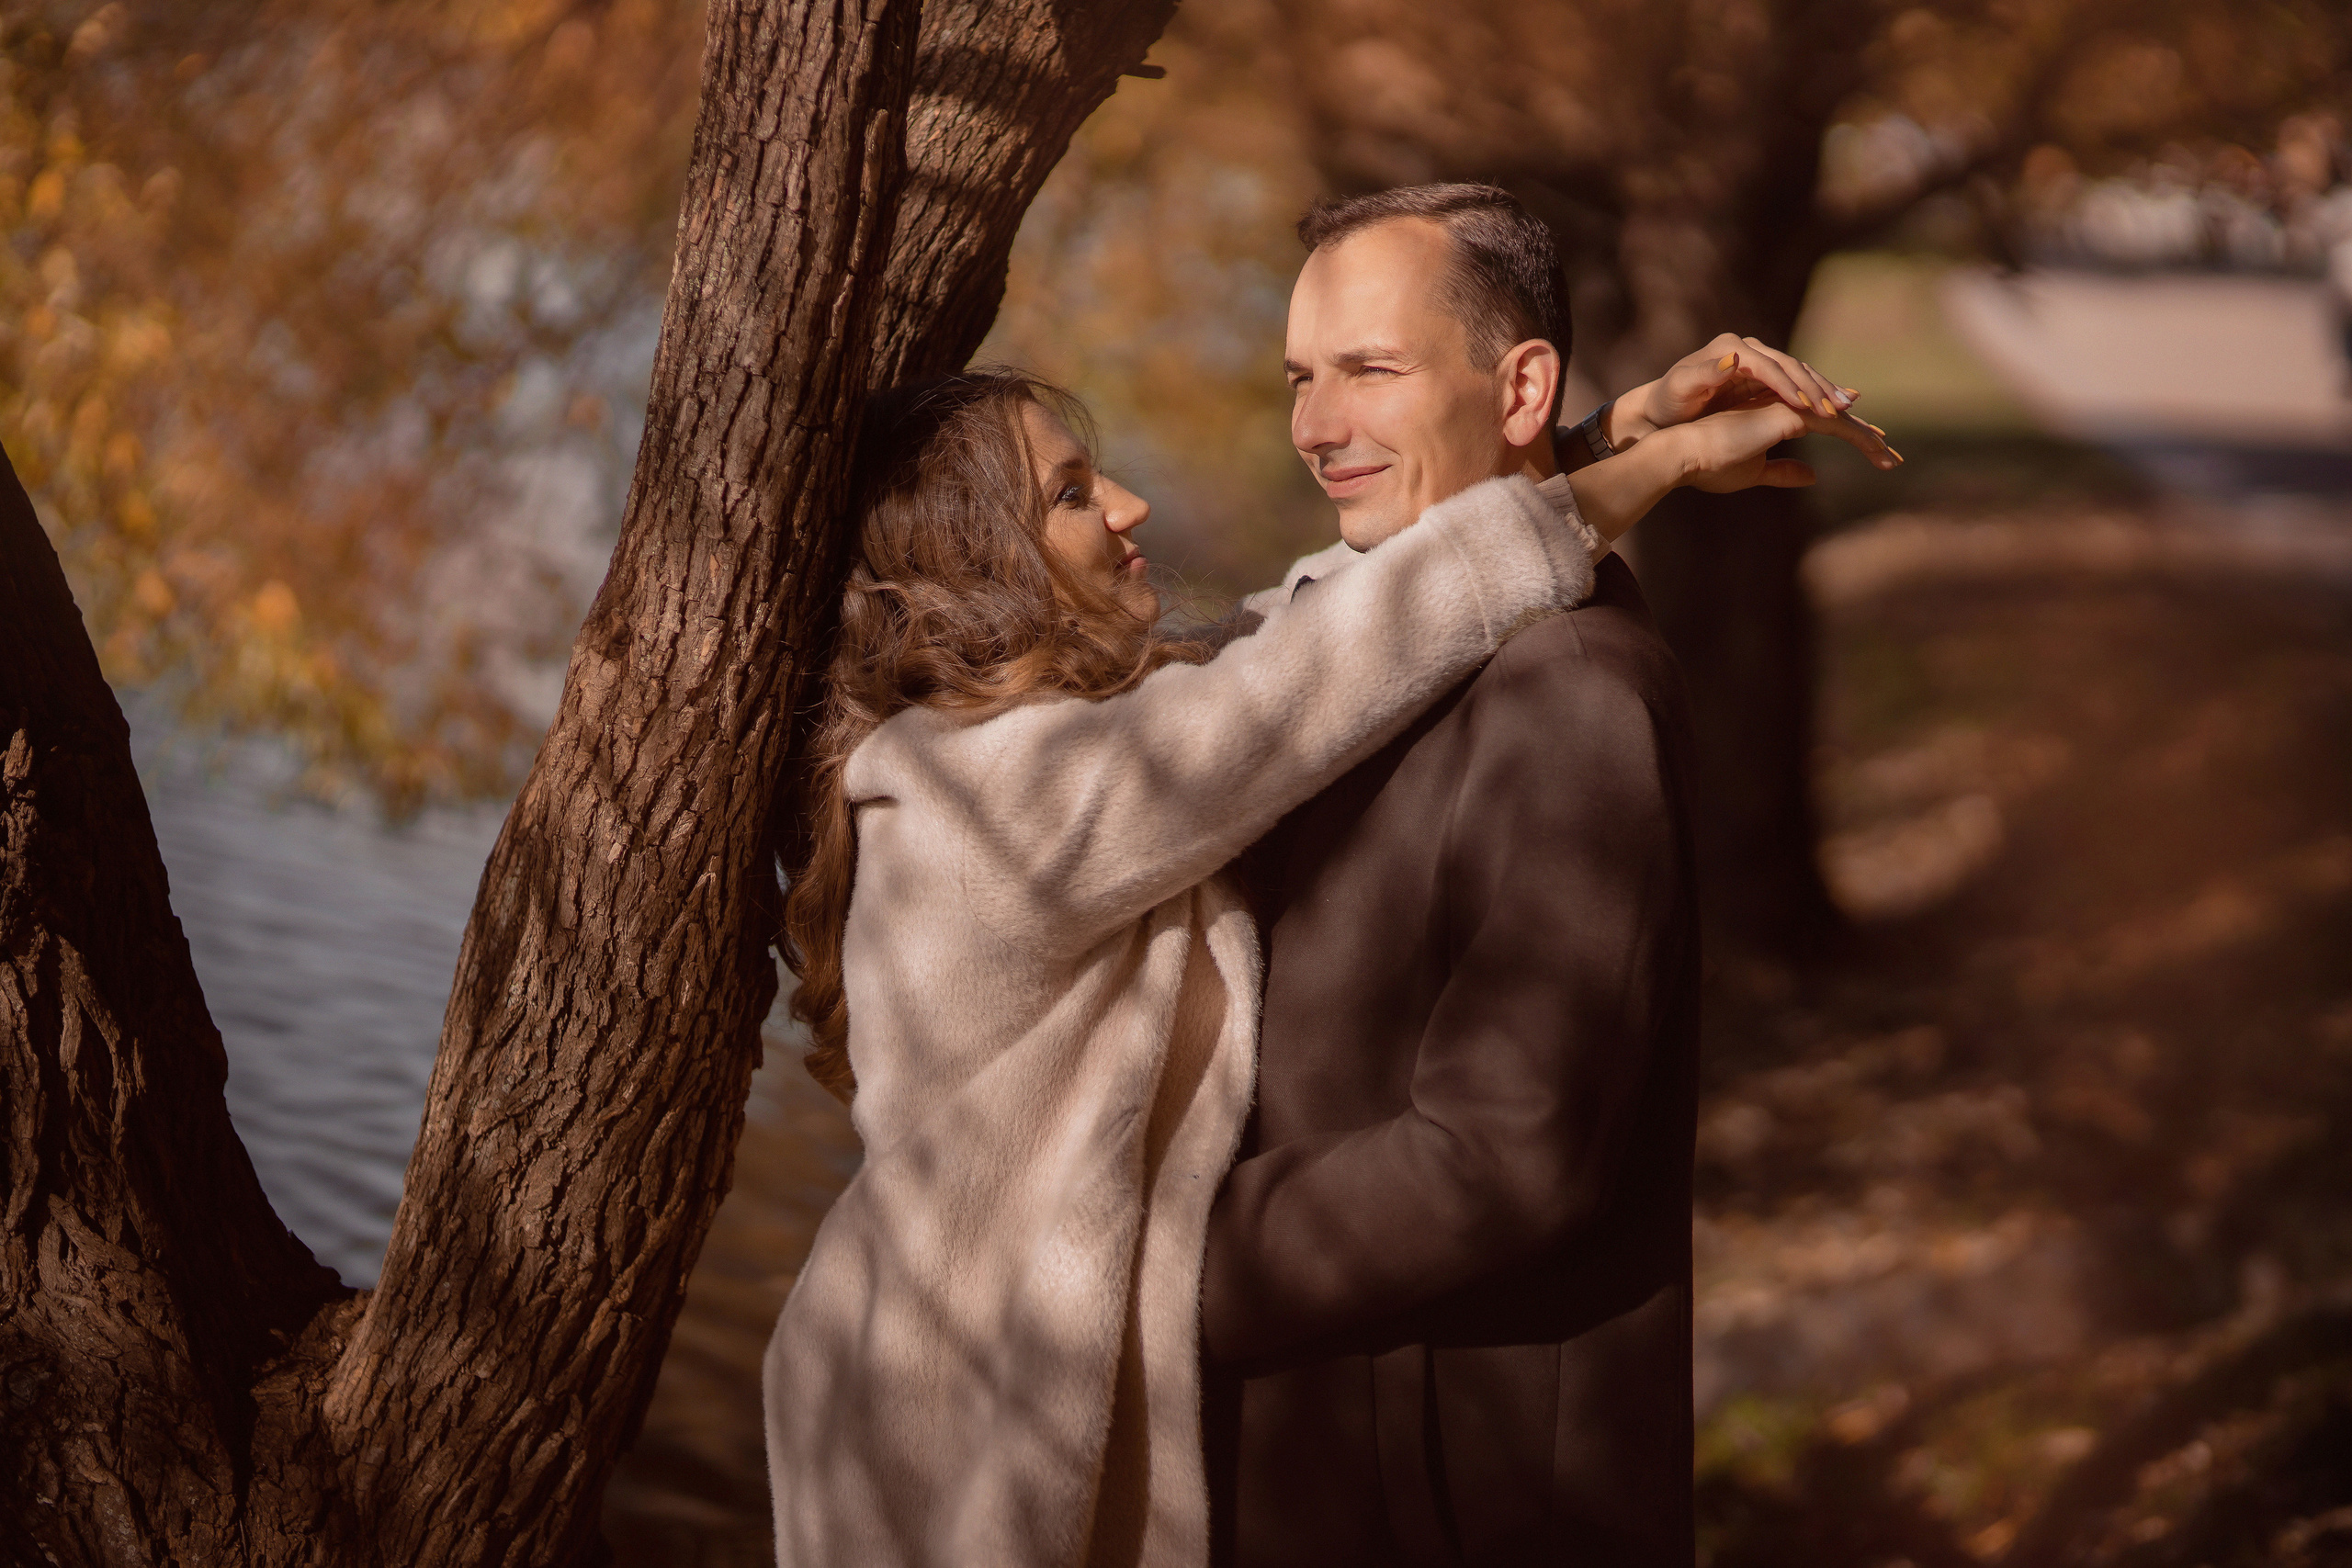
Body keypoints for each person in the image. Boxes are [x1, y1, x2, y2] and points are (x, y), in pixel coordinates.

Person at [759, 326, 1881, 1564]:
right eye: (1071, 495)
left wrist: (1599, 438)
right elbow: (1296, 689)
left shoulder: (1045, 750)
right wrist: (1636, 481)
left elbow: (1317, 626)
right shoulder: (980, 806)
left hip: (983, 1373)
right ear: (978, 564)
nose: (1129, 504)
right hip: (953, 1431)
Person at [1198, 183, 1891, 1567]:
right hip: (1332, 1451)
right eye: (1302, 379)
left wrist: (1154, 1257)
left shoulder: (1569, 696)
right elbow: (1257, 674)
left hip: (1465, 1496)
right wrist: (1613, 447)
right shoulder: (1390, 639)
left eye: (1372, 374)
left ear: (1517, 384)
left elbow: (1504, 1157)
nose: (1316, 428)